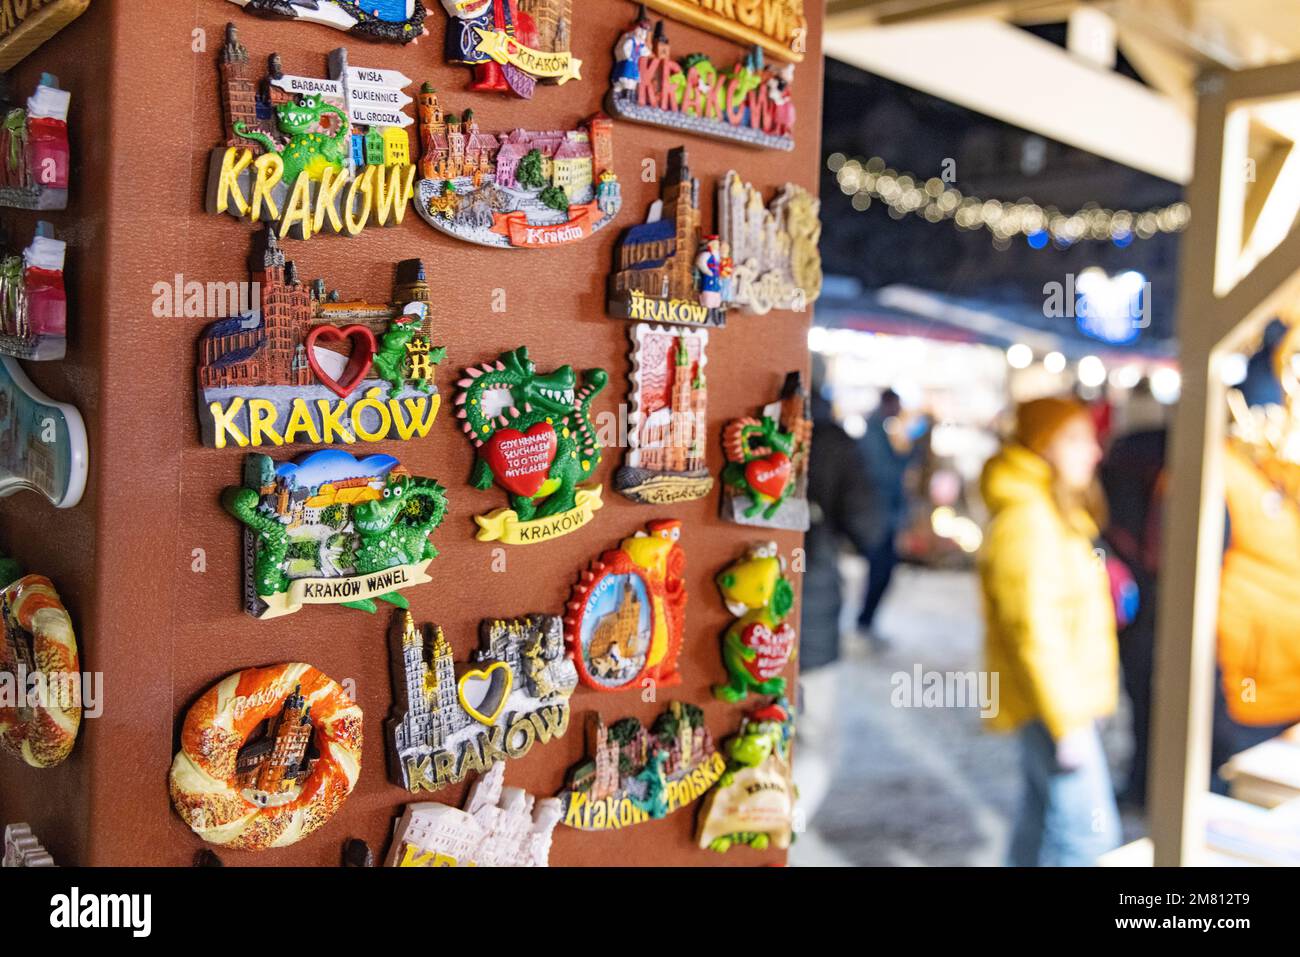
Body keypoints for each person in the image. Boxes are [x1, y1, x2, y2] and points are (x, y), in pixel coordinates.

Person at [978, 397, 1121, 866]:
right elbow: (1033, 633)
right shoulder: (1029, 521)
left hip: (1057, 702)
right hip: (1054, 705)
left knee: (1043, 817)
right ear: (1044, 446)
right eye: (1077, 440)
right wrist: (1068, 723)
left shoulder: (1048, 509)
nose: (1094, 452)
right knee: (1085, 837)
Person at [797, 386, 882, 822]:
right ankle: (780, 832)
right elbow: (866, 523)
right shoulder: (834, 441)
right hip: (811, 594)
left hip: (740, 594)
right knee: (814, 737)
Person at [1099, 382, 1168, 809]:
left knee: (1140, 695)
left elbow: (1106, 526)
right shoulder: (1179, 453)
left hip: (1132, 596)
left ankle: (1141, 782)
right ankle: (1164, 780)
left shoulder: (1118, 457)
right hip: (1173, 592)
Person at [856, 389, 922, 641]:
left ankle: (867, 619)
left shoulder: (879, 430)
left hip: (883, 513)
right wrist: (908, 458)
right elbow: (885, 473)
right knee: (881, 568)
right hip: (880, 514)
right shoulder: (873, 433)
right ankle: (865, 619)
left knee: (883, 568)